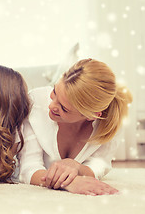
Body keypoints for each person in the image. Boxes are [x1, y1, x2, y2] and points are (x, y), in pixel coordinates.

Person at [18, 58, 133, 195]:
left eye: (64, 108)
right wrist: (69, 183)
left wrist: (76, 167)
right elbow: (28, 167)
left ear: (92, 116)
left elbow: (100, 163)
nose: (51, 105)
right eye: (54, 92)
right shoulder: (34, 104)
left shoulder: (110, 121)